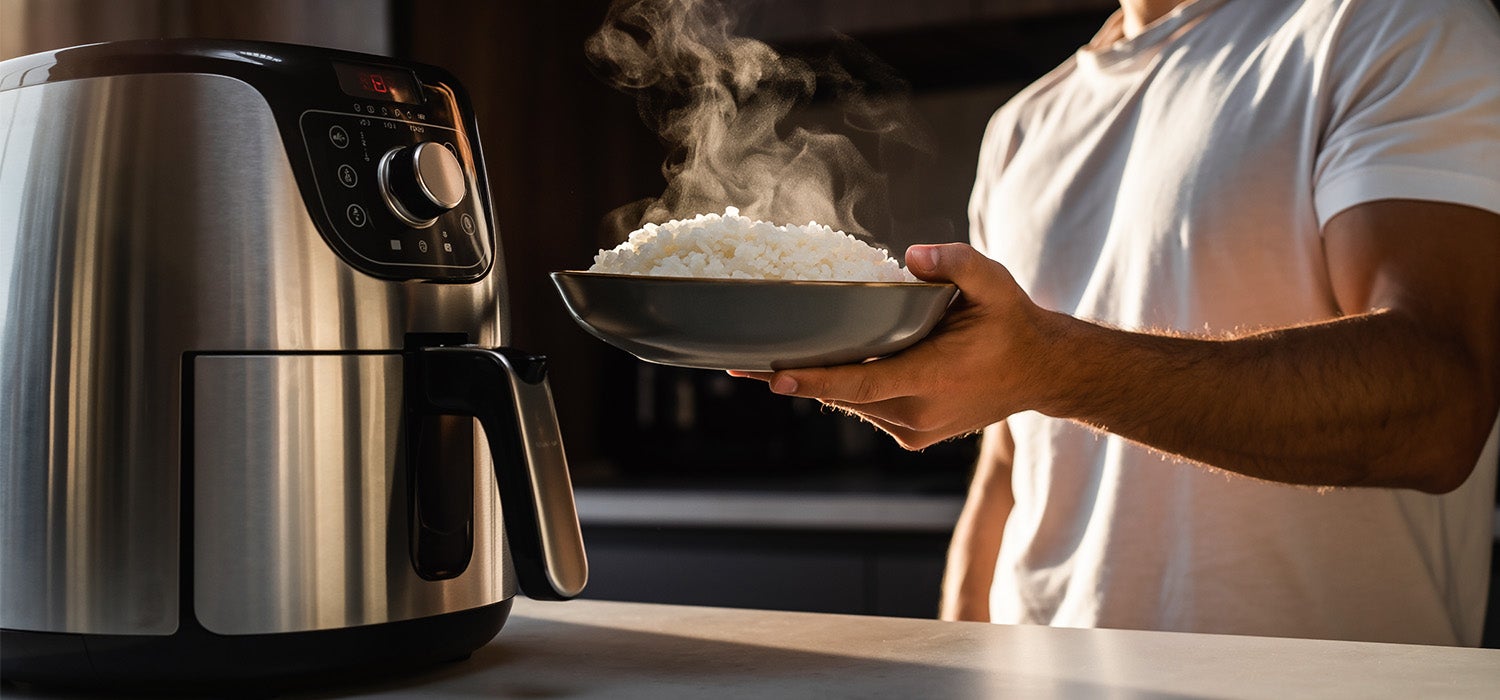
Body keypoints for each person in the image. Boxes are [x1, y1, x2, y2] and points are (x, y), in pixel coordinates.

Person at [732, 0, 1500, 645]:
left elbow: (1440, 407)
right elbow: (1009, 465)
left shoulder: (1395, 25)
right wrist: (959, 661)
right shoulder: (1026, 123)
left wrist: (1059, 368)